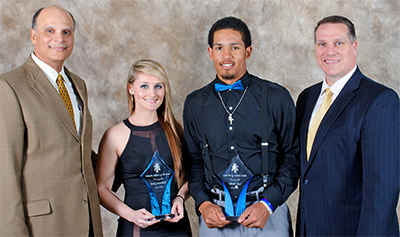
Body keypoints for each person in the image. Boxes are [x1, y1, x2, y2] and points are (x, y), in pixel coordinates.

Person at [183, 16, 299, 236]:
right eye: (219, 48)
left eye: (234, 47)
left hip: (268, 215)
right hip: (216, 217)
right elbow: (194, 161)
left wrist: (268, 204)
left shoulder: (276, 97)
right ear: (210, 52)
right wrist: (203, 204)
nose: (226, 56)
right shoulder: (194, 103)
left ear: (248, 51)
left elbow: (292, 157)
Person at [0, 6, 103, 236]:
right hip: (43, 226)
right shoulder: (9, 87)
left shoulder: (78, 84)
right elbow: (5, 171)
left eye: (66, 32)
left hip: (87, 222)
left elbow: (79, 150)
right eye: (50, 31)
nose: (60, 38)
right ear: (33, 36)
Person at [295, 15, 400, 236]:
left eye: (338, 43)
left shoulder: (380, 100)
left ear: (354, 46)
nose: (329, 51)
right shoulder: (307, 97)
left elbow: (382, 193)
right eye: (322, 44)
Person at [95, 59, 191, 236]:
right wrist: (130, 215)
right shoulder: (114, 136)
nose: (152, 93)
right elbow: (102, 190)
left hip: (177, 229)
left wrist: (180, 197)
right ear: (131, 88)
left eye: (158, 86)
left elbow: (191, 176)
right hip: (135, 229)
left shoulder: (176, 130)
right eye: (144, 86)